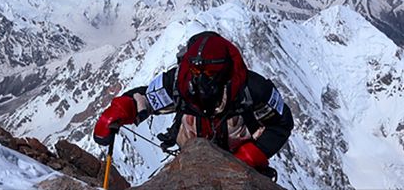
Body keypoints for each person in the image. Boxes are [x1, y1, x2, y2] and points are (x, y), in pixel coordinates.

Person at [93, 31, 293, 178]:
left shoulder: (253, 90)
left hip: (242, 168)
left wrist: (250, 156)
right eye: (197, 72)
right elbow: (146, 98)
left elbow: (281, 124)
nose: (200, 81)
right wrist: (123, 109)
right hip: (193, 165)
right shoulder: (179, 83)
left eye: (209, 73)